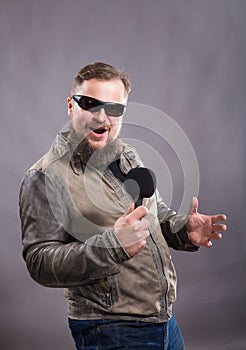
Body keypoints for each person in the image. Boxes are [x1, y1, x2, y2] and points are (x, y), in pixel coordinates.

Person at [19, 62, 227, 350]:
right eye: (90, 103)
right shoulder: (45, 176)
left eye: (114, 108)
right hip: (111, 328)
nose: (102, 117)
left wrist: (182, 229)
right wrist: (113, 244)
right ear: (70, 106)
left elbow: (153, 215)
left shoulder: (126, 154)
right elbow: (39, 261)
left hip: (165, 321)